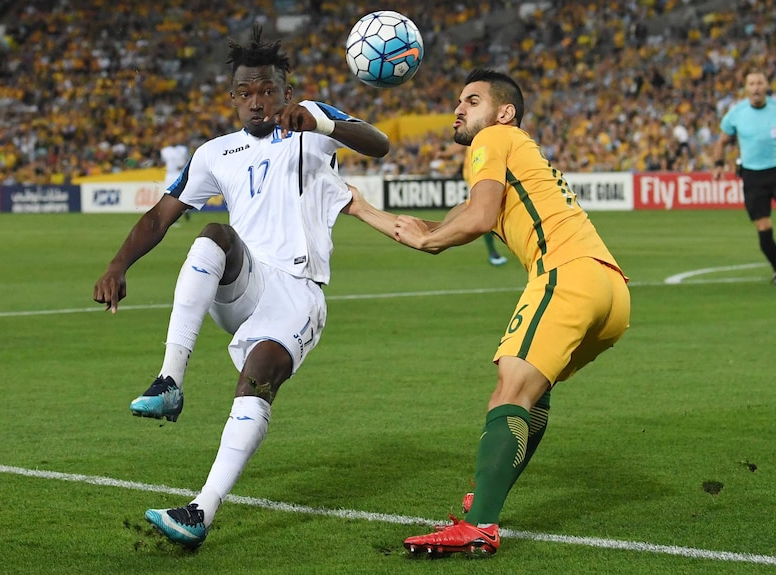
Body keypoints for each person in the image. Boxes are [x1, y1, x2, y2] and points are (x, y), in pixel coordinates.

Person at [92, 25, 389, 550]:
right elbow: (161, 216)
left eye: (268, 90)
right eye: (246, 93)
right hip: (245, 284)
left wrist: (320, 119)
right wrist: (118, 265)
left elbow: (379, 144)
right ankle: (169, 381)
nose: (258, 102)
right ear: (232, 99)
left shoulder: (313, 127)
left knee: (257, 383)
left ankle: (199, 511)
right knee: (213, 234)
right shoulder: (214, 154)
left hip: (297, 294)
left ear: (287, 93)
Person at [344, 68, 630, 557]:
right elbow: (435, 230)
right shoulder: (510, 162)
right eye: (458, 101)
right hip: (611, 291)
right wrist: (360, 208)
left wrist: (431, 236)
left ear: (504, 112)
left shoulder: (496, 138)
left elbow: (468, 223)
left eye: (471, 100)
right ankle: (488, 496)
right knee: (532, 395)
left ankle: (480, 523)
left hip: (566, 274)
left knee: (509, 391)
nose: (458, 108)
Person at [712, 70, 776, 285]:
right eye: (752, 83)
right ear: (746, 88)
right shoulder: (737, 114)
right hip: (753, 176)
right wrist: (719, 165)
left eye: (759, 82)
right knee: (764, 227)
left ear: (766, 85)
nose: (756, 87)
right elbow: (722, 141)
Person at [160, 139, 191, 221]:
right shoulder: (165, 151)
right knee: (169, 195)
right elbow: (162, 161)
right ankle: (172, 216)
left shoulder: (183, 149)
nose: (172, 141)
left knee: (183, 194)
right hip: (169, 174)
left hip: (179, 173)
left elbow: (189, 159)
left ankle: (186, 210)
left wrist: (184, 165)